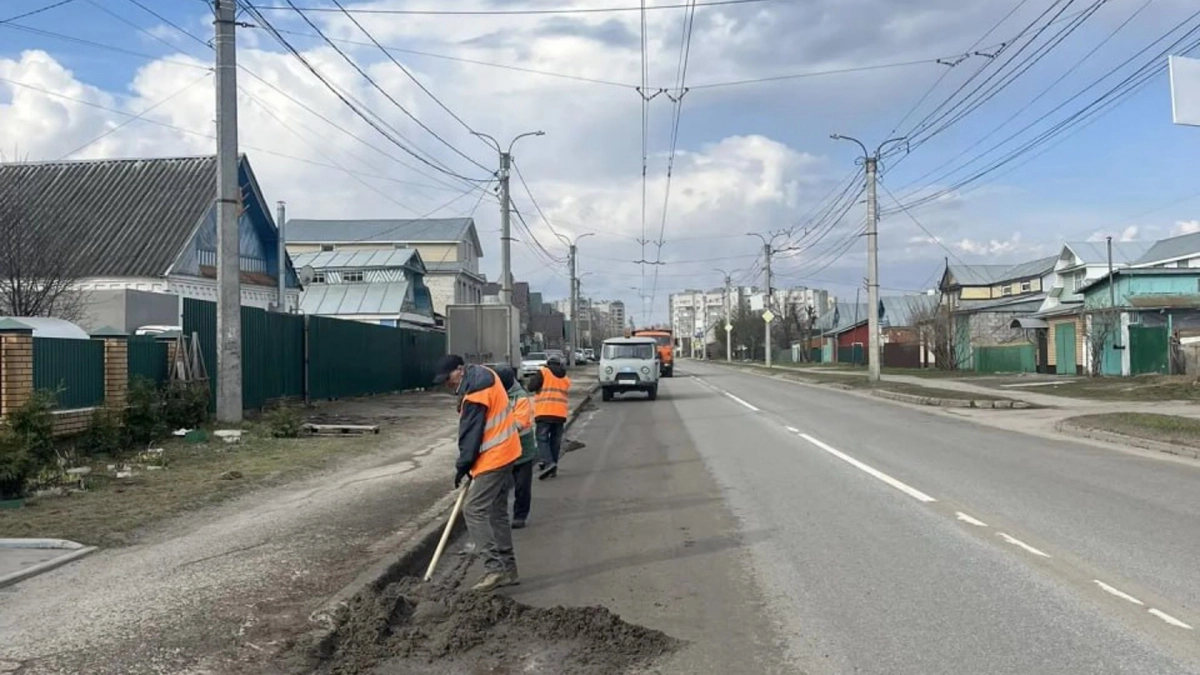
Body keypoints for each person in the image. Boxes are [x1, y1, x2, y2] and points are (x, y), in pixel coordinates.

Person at [433, 354, 521, 592]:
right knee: (497, 511)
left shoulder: (475, 394)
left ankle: (494, 569)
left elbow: (470, 437)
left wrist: (462, 467)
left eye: (448, 378)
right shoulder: (486, 375)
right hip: (508, 451)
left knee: (473, 509)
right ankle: (509, 569)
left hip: (495, 456)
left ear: (460, 370)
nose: (447, 383)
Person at [495, 365, 537, 529]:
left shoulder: (520, 397)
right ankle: (500, 516)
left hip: (522, 450)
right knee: (500, 487)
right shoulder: (495, 395)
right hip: (502, 451)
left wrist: (497, 428)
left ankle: (520, 515)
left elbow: (519, 423)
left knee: (522, 486)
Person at [527, 354, 571, 480]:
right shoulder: (565, 378)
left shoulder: (543, 372)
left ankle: (548, 462)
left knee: (542, 439)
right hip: (560, 414)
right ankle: (552, 467)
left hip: (544, 412)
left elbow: (531, 387)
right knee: (555, 441)